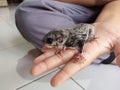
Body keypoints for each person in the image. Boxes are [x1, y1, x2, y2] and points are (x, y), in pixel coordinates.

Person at [15, 0, 120, 87]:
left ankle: (109, 52)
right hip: (81, 11)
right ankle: (106, 47)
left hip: (112, 8)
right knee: (27, 11)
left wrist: (109, 21)